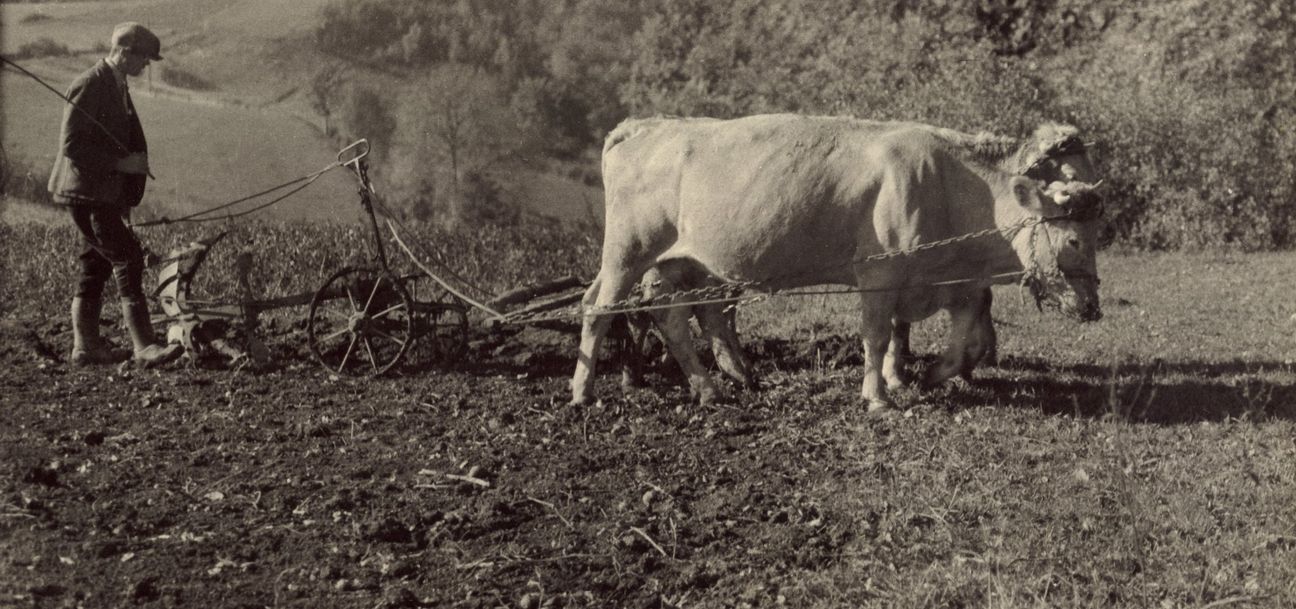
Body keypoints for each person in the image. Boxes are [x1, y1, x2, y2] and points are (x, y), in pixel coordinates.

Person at [48, 22, 181, 367]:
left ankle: (86, 348)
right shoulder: (90, 84)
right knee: (128, 258)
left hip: (100, 194)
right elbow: (72, 145)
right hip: (87, 194)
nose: (147, 65)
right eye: (145, 58)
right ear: (124, 53)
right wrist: (122, 164)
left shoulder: (116, 84)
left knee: (94, 266)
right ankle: (145, 347)